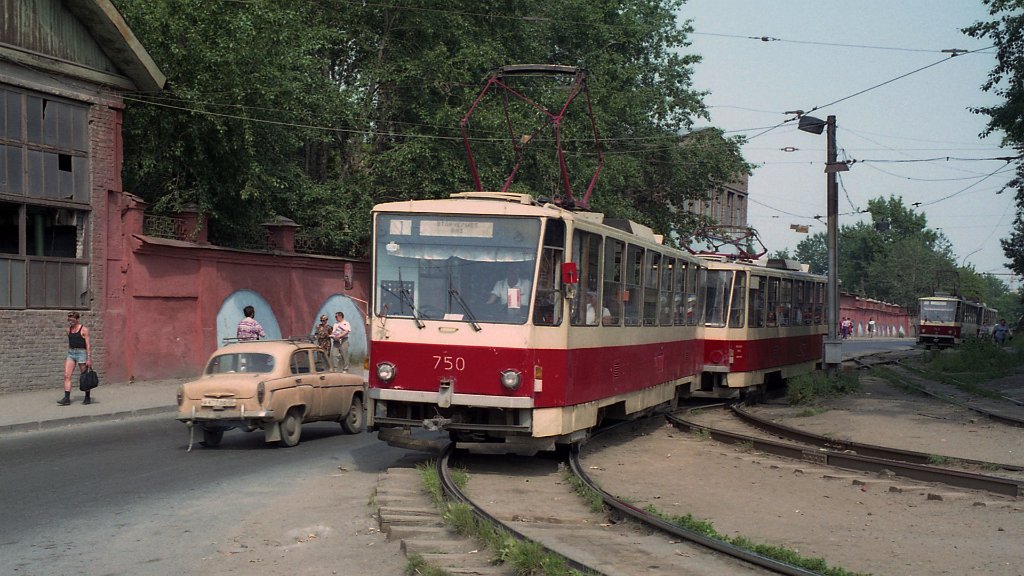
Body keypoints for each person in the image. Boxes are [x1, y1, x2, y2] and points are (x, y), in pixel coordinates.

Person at [59, 311, 91, 406]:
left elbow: (88, 344)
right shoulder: (68, 330)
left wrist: (89, 358)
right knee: (67, 375)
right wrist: (70, 352)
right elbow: (70, 342)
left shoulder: (84, 329)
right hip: (71, 353)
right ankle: (66, 398)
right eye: (69, 320)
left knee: (84, 376)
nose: (70, 322)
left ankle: (87, 397)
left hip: (82, 353)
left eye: (72, 320)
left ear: (77, 319)